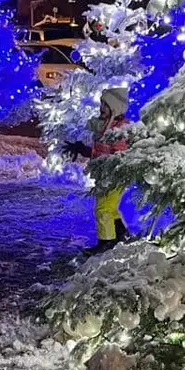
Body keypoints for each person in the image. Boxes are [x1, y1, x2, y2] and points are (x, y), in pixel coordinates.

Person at [67, 87, 132, 255]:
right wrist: (83, 149)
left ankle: (107, 242)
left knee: (102, 209)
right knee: (110, 208)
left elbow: (118, 156)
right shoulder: (106, 127)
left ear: (115, 108)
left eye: (106, 104)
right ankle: (121, 234)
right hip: (106, 175)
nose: (101, 107)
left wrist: (112, 173)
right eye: (101, 103)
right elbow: (101, 153)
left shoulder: (119, 131)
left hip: (114, 177)